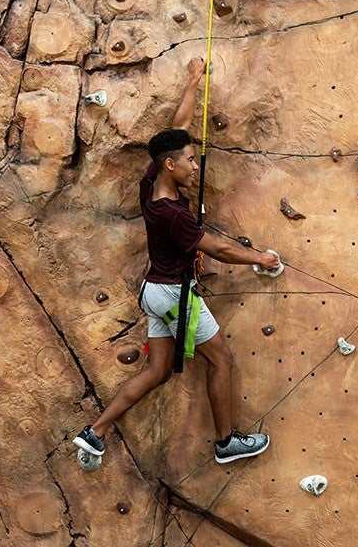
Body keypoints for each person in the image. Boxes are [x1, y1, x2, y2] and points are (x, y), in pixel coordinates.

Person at [73, 56, 282, 464]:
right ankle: (225, 443)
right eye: (188, 160)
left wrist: (193, 81)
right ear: (170, 165)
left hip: (155, 291)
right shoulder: (173, 214)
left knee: (157, 371)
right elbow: (218, 248)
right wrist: (262, 257)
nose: (194, 163)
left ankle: (94, 432)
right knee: (220, 358)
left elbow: (178, 127)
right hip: (174, 296)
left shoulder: (151, 182)